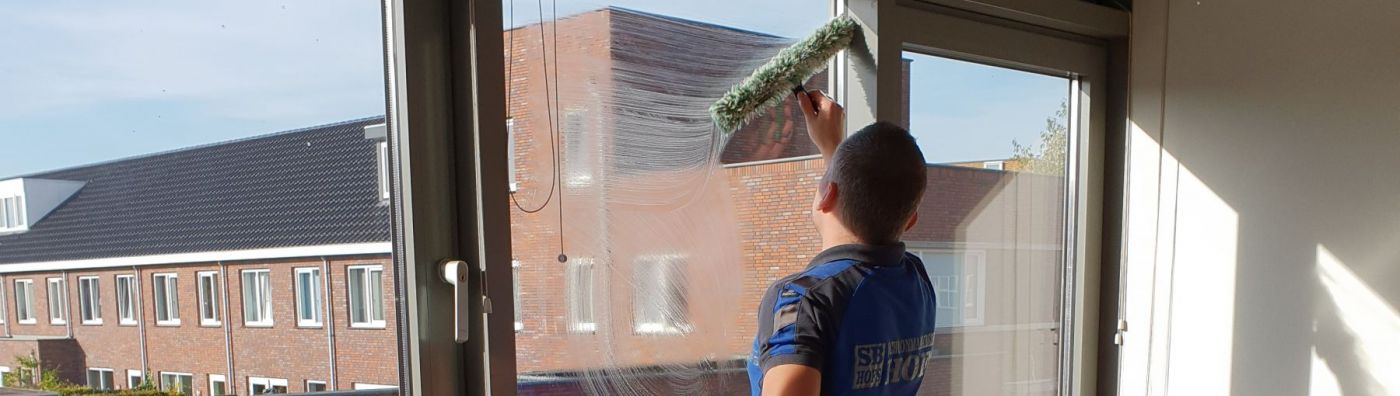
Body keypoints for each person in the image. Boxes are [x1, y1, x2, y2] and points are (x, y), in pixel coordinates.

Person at [747, 90, 939, 396]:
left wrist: (839, 161)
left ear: (826, 194)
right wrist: (834, 149)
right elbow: (863, 200)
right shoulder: (916, 280)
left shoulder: (804, 300)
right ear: (910, 221)